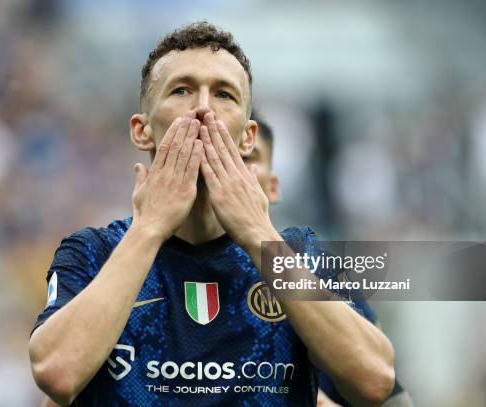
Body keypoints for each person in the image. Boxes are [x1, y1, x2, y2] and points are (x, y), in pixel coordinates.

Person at [29, 21, 395, 406]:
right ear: (142, 131)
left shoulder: (297, 253)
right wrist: (149, 228)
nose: (203, 108)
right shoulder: (91, 252)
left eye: (224, 94)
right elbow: (56, 374)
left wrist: (258, 235)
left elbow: (373, 382)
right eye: (182, 90)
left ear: (248, 136)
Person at [247, 113, 414, 407]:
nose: (231, 169)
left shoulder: (313, 263)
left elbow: (391, 396)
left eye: (249, 156)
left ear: (273, 186)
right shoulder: (149, 261)